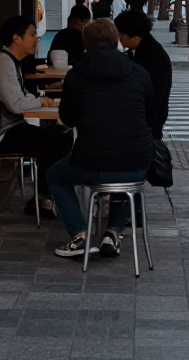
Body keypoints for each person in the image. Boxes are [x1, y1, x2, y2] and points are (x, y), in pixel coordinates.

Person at [47, 17, 156, 259]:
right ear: (116, 40)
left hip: (90, 163)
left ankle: (80, 235)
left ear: (85, 44)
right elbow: (151, 114)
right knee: (131, 179)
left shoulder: (76, 76)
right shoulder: (138, 72)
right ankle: (113, 231)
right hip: (136, 162)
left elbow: (67, 119)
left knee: (55, 175)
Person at [0, 15, 73, 218]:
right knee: (59, 142)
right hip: (1, 133)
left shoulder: (11, 61)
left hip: (10, 128)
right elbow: (16, 104)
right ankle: (44, 199)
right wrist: (42, 101)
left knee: (58, 136)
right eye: (32, 34)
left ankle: (44, 197)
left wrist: (40, 99)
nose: (37, 39)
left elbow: (20, 97)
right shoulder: (2, 63)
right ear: (16, 38)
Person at [114, 9, 172, 138]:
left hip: (147, 125)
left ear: (136, 36)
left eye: (122, 34)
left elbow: (154, 97)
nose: (119, 38)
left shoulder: (155, 57)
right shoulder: (134, 50)